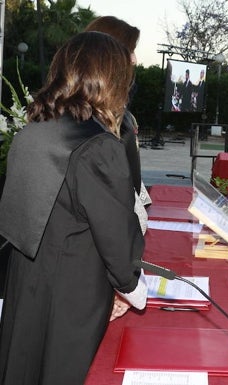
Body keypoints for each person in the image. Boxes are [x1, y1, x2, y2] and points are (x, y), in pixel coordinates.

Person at [0, 31, 147, 385]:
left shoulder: (34, 131)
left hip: (24, 284)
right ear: (110, 80)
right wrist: (133, 290)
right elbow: (117, 240)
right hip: (71, 294)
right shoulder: (98, 145)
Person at [84, 15, 151, 234]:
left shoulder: (120, 116)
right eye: (129, 50)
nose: (134, 60)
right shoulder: (90, 123)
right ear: (107, 54)